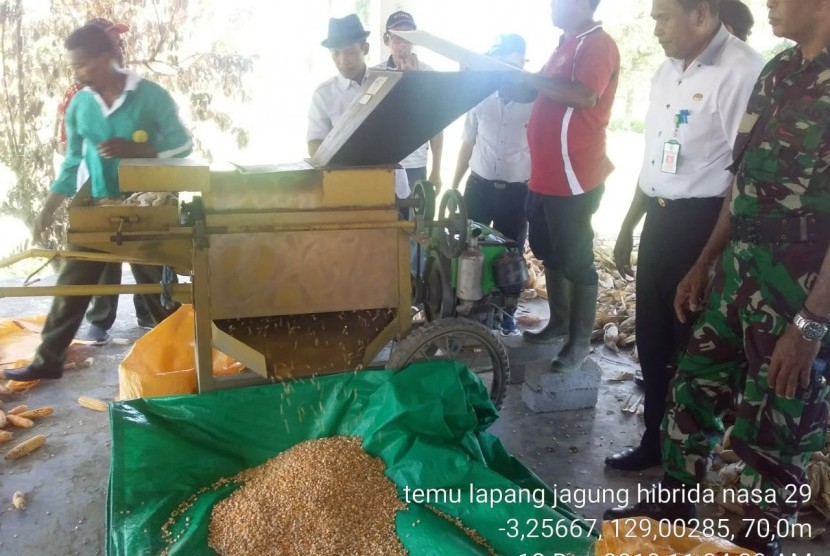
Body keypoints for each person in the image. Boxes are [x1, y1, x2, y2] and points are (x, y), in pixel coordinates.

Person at [605, 0, 830, 553]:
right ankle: (676, 502)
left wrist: (811, 325)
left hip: (799, 288)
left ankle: (760, 542)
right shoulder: (780, 71)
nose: (769, 3)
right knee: (692, 385)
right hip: (737, 270)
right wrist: (706, 262)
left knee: (776, 424)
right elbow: (740, 180)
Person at [605, 0, 764, 472]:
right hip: (662, 219)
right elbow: (656, 156)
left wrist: (710, 258)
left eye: (662, 17)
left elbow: (745, 174)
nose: (654, 28)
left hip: (705, 226)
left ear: (700, 14)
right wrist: (630, 223)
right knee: (653, 342)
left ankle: (684, 465)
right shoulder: (666, 72)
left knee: (691, 352)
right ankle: (654, 443)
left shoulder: (742, 70)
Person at [4, 24, 192, 382]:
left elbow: (184, 146)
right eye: (74, 66)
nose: (77, 73)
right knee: (72, 285)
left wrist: (139, 149)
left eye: (82, 65)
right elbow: (72, 161)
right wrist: (50, 205)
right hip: (100, 205)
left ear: (106, 59)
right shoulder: (80, 105)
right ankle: (48, 360)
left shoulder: (149, 96)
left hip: (148, 208)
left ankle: (180, 364)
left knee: (157, 290)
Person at [519, 0, 620, 373]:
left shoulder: (597, 43)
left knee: (577, 261)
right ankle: (559, 323)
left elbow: (583, 96)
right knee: (548, 251)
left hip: (573, 177)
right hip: (544, 177)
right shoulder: (565, 44)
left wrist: (531, 78)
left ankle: (578, 344)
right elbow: (546, 93)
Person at [55, 18, 156, 343]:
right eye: (114, 44)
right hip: (99, 183)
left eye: (121, 45)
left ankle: (151, 314)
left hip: (138, 180)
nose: (120, 50)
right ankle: (100, 319)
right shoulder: (82, 94)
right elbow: (73, 148)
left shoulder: (134, 88)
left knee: (147, 250)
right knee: (103, 252)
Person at [452, 33, 534, 336]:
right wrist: (454, 182)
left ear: (522, 63)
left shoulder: (536, 101)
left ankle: (506, 313)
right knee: (466, 247)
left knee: (511, 253)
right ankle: (467, 309)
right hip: (480, 185)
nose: (505, 69)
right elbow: (468, 142)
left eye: (511, 63)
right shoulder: (480, 95)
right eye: (499, 62)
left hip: (516, 191)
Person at [307, 14, 410, 202]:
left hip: (392, 187)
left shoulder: (391, 82)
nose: (342, 60)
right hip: (348, 190)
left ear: (365, 48)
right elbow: (315, 143)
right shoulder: (324, 95)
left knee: (399, 231)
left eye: (350, 52)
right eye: (335, 53)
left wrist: (412, 82)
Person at [376, 10, 443, 190]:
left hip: (416, 164)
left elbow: (436, 126)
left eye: (407, 38)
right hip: (383, 163)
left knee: (415, 217)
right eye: (397, 38)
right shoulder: (375, 75)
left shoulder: (429, 75)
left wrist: (436, 170)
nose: (402, 46)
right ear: (386, 39)